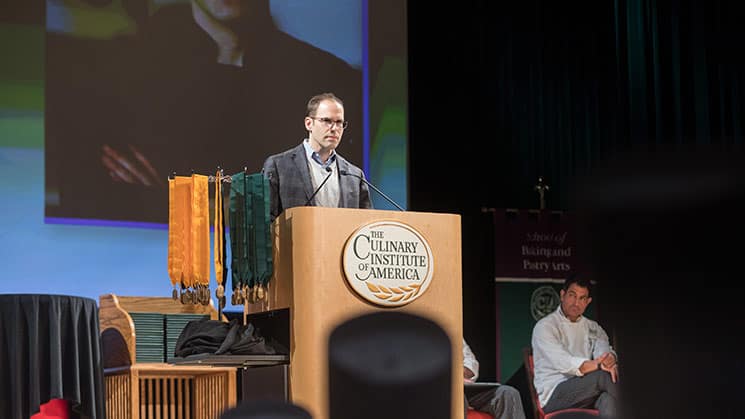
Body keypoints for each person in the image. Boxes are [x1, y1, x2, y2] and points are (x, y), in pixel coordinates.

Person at [45, 0, 362, 223]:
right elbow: (90, 194)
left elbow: (331, 203)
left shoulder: (331, 79)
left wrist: (174, 199)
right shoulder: (109, 73)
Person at [261, 92, 372, 220]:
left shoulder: (355, 175)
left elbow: (366, 225)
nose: (334, 128)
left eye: (339, 122)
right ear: (309, 124)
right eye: (327, 121)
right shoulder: (278, 166)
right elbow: (265, 221)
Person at [531, 274, 619, 418]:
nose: (576, 303)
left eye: (582, 298)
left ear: (588, 302)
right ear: (562, 295)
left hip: (587, 392)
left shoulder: (593, 327)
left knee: (609, 401)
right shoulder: (545, 327)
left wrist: (609, 359)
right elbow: (565, 362)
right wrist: (598, 365)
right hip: (555, 395)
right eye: (572, 295)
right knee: (602, 377)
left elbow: (604, 353)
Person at [463, 338, 525, 419]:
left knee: (508, 393)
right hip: (446, 389)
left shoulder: (454, 332)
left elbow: (471, 363)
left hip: (466, 387)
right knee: (456, 396)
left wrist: (459, 373)